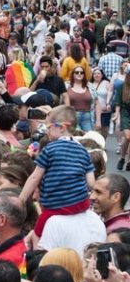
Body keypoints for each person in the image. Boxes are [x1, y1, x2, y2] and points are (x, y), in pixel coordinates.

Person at [20, 105, 96, 245]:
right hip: (81, 204)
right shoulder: (83, 151)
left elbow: (35, 177)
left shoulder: (49, 149)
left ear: (61, 127)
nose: (47, 131)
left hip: (55, 206)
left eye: (49, 127)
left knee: (37, 235)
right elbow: (91, 183)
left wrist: (21, 200)